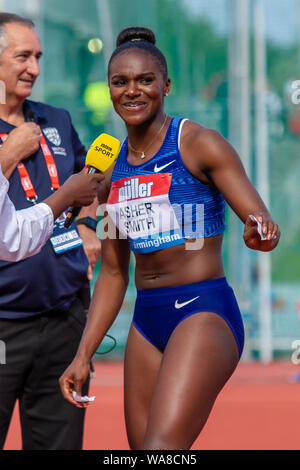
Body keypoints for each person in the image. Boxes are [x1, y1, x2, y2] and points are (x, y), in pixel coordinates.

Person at [60, 27, 280, 450]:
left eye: (145, 80)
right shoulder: (107, 170)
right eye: (120, 82)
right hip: (147, 320)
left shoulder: (198, 144)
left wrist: (261, 233)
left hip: (202, 310)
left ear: (166, 84)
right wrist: (83, 354)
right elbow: (111, 273)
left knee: (162, 449)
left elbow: (261, 223)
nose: (132, 92)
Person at [0, 13, 102, 450]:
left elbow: (91, 182)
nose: (35, 69)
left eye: (38, 57)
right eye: (22, 56)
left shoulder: (55, 119)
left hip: (63, 319)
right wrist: (9, 153)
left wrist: (87, 225)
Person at [0, 164, 103, 262]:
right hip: (13, 268)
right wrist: (67, 195)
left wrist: (86, 223)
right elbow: (10, 236)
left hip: (69, 262)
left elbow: (91, 177)